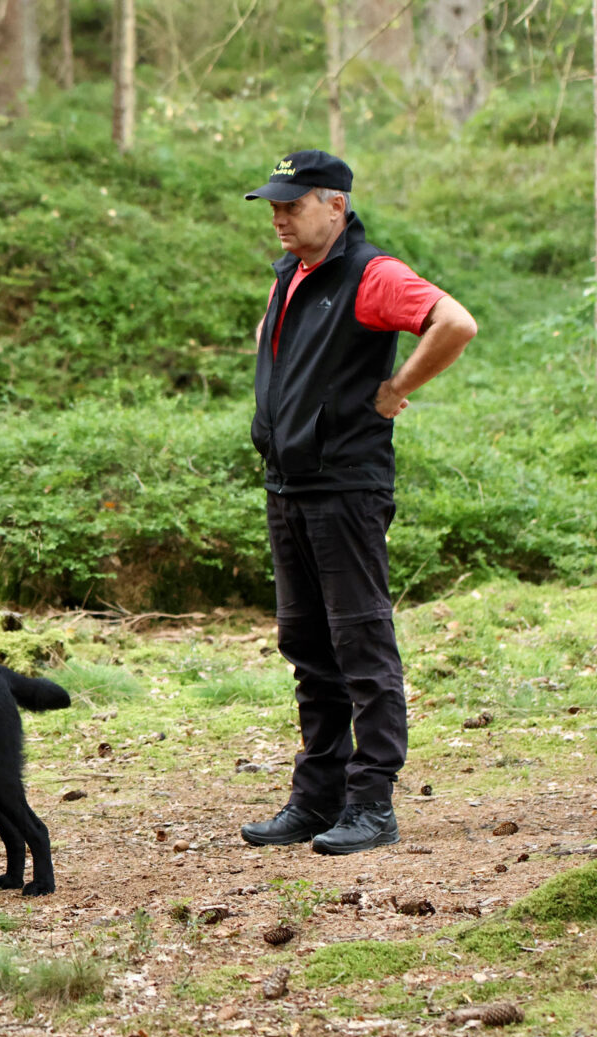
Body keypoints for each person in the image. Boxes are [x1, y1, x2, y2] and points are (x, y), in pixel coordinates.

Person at [239, 150, 478, 855]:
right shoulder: (294, 273)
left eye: (294, 203)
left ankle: (372, 803)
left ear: (335, 205)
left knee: (360, 644)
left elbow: (454, 322)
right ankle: (317, 799)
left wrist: (398, 384)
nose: (280, 216)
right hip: (289, 486)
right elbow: (273, 344)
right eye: (275, 205)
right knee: (307, 646)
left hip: (345, 488)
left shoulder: (372, 275)